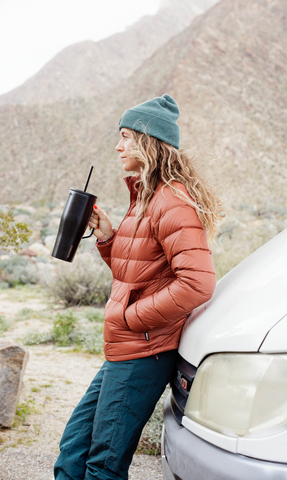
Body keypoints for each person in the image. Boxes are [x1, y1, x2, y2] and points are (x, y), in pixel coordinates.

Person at [54, 94, 223, 480]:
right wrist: (107, 237)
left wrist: (133, 318)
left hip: (144, 351)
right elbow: (134, 273)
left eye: (127, 136)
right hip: (125, 346)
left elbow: (198, 283)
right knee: (73, 452)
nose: (118, 146)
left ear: (149, 141)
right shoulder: (144, 198)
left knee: (102, 466)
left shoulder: (172, 201)